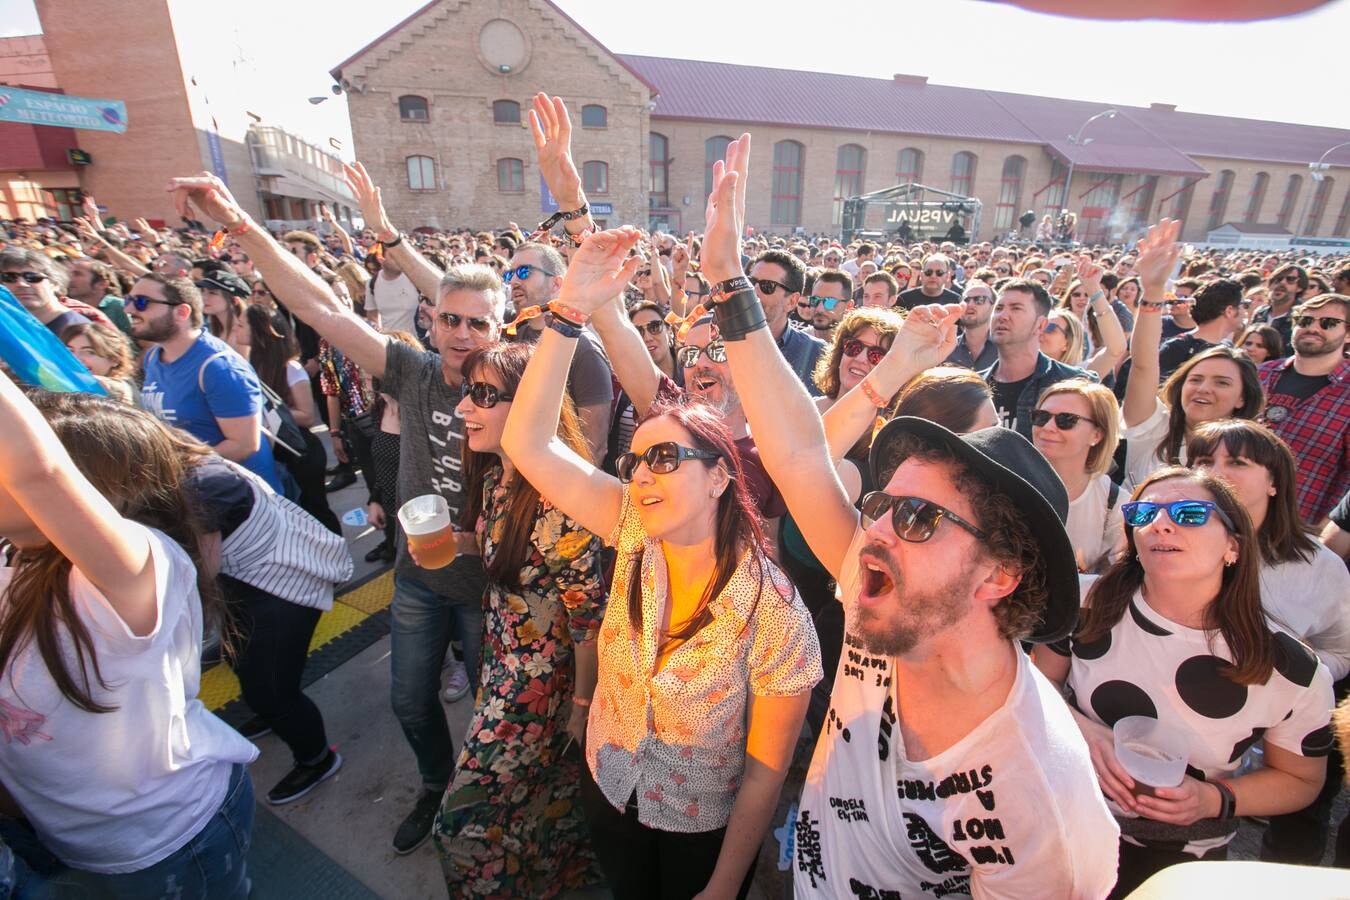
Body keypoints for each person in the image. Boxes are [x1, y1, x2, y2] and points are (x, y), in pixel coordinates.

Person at [702, 133, 1117, 898]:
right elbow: (798, 456)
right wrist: (728, 281)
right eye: (883, 506)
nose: (880, 530)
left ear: (1000, 574)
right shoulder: (890, 608)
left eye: (920, 520)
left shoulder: (1038, 799)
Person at [167, 170, 494, 855]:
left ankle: (490, 801)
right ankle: (436, 787)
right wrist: (245, 227)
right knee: (410, 700)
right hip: (417, 575)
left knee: (496, 715)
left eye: (477, 322)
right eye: (450, 318)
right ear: (430, 320)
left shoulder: (518, 381)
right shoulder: (413, 370)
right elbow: (322, 310)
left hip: (491, 585)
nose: (461, 333)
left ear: (498, 328)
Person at [498, 224, 822, 899]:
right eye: (636, 458)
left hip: (697, 829)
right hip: (610, 786)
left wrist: (724, 884)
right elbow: (527, 443)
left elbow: (766, 773)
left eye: (667, 457)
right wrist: (568, 313)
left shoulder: (777, 613)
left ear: (719, 479)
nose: (643, 473)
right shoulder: (631, 528)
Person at [0, 372, 257, 896]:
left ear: (84, 492)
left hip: (171, 838)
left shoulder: (136, 572)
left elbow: (39, 471)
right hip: (80, 837)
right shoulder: (14, 556)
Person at [1034, 467, 1333, 898]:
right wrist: (1085, 731)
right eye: (1143, 513)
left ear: (1233, 545)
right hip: (1063, 819)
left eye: (1190, 513)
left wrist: (1214, 799)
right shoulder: (1085, 604)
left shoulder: (1290, 669)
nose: (1160, 523)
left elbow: (1302, 781)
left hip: (1180, 857)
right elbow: (1030, 687)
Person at [434, 342, 607, 898]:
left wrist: (581, 708)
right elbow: (511, 557)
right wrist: (462, 542)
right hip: (501, 665)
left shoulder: (559, 503)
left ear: (532, 406)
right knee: (540, 794)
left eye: (484, 395)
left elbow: (588, 621)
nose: (464, 408)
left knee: (458, 828)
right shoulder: (492, 477)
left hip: (540, 688)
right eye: (467, 391)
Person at [131, 271, 285, 495]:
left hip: (245, 501)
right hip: (199, 496)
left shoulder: (218, 367)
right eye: (130, 300)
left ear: (181, 312)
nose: (130, 309)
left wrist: (173, 469)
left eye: (142, 302)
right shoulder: (154, 357)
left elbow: (243, 445)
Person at [501, 240, 616, 463]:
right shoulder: (511, 335)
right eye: (510, 274)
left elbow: (594, 447)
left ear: (556, 284)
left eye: (524, 272)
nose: (514, 281)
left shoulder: (583, 349)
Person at [231, 304, 340, 533]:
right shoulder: (251, 364)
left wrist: (261, 413)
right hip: (279, 454)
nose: (235, 329)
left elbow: (307, 416)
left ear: (260, 330)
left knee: (316, 513)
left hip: (301, 453)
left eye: (241, 324)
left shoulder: (290, 368)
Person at [1255, 292, 1349, 524]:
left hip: (1299, 533)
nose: (1313, 328)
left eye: (1328, 323)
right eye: (1304, 321)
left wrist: (1323, 537)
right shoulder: (1261, 374)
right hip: (1229, 519)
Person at [983, 275, 1095, 439]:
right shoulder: (975, 387)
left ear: (1041, 325)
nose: (1003, 316)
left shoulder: (1074, 383)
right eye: (998, 308)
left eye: (1016, 308)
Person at [1031, 379, 1125, 573]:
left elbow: (1116, 581)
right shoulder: (1006, 481)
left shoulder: (1115, 502)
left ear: (1097, 435)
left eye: (1066, 420)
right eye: (1041, 417)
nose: (1048, 427)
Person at [1155, 279, 1246, 380]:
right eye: (1244, 305)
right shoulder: (1177, 348)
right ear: (1229, 311)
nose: (1245, 311)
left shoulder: (1230, 351)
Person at [61, 320, 137, 403]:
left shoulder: (122, 388)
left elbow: (109, 386)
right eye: (70, 351)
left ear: (114, 359)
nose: (76, 358)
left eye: (89, 352)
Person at [944, 279, 997, 370]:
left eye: (979, 300)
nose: (970, 304)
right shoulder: (946, 349)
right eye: (966, 300)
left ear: (993, 307)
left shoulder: (1006, 348)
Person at [798, 269, 854, 342]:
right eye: (815, 300)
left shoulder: (856, 345)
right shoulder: (799, 342)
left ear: (848, 307)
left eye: (829, 302)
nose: (819, 309)